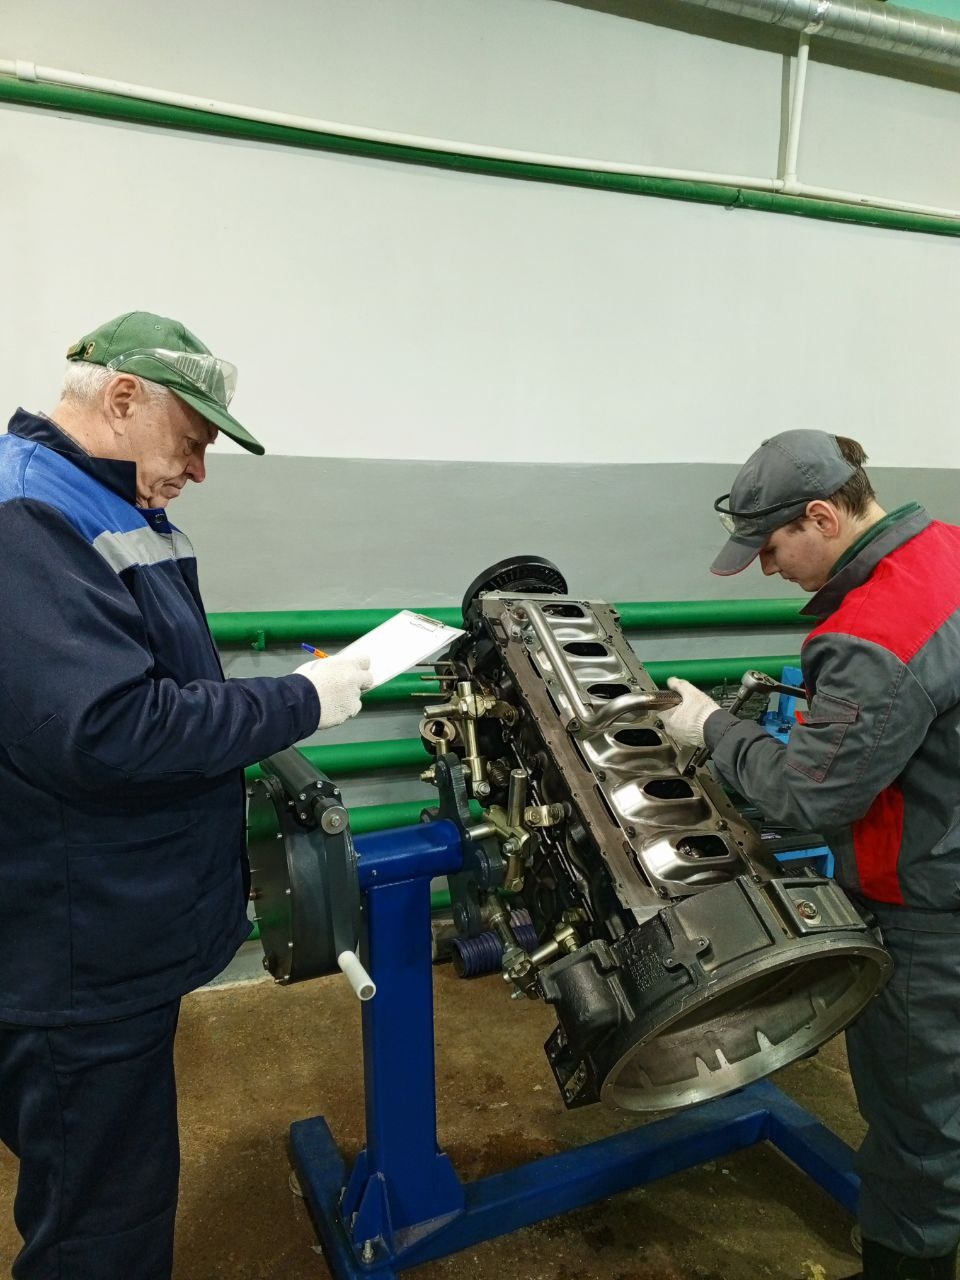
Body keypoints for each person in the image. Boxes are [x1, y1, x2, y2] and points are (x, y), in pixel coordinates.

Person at [0, 312, 372, 1279]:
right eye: (194, 440)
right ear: (123, 398)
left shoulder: (104, 502)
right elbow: (109, 727)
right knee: (104, 1222)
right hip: (80, 943)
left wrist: (256, 697)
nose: (199, 469)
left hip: (111, 924)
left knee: (93, 1174)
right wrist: (300, 700)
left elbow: (148, 680)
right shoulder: (31, 515)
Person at [659, 429, 960, 1280]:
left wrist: (713, 730)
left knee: (919, 1112)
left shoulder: (870, 632)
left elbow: (811, 798)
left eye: (770, 546)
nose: (766, 567)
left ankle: (911, 1259)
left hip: (929, 901)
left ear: (824, 516)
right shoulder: (947, 549)